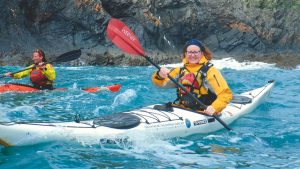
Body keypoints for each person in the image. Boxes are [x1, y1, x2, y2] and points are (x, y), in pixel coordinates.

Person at [152, 39, 233, 116]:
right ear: (185, 54)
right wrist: (159, 75)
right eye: (189, 52)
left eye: (196, 52)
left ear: (202, 53)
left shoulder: (210, 71)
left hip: (204, 112)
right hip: (183, 109)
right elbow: (161, 84)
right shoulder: (179, 71)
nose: (192, 55)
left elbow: (225, 94)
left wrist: (214, 108)